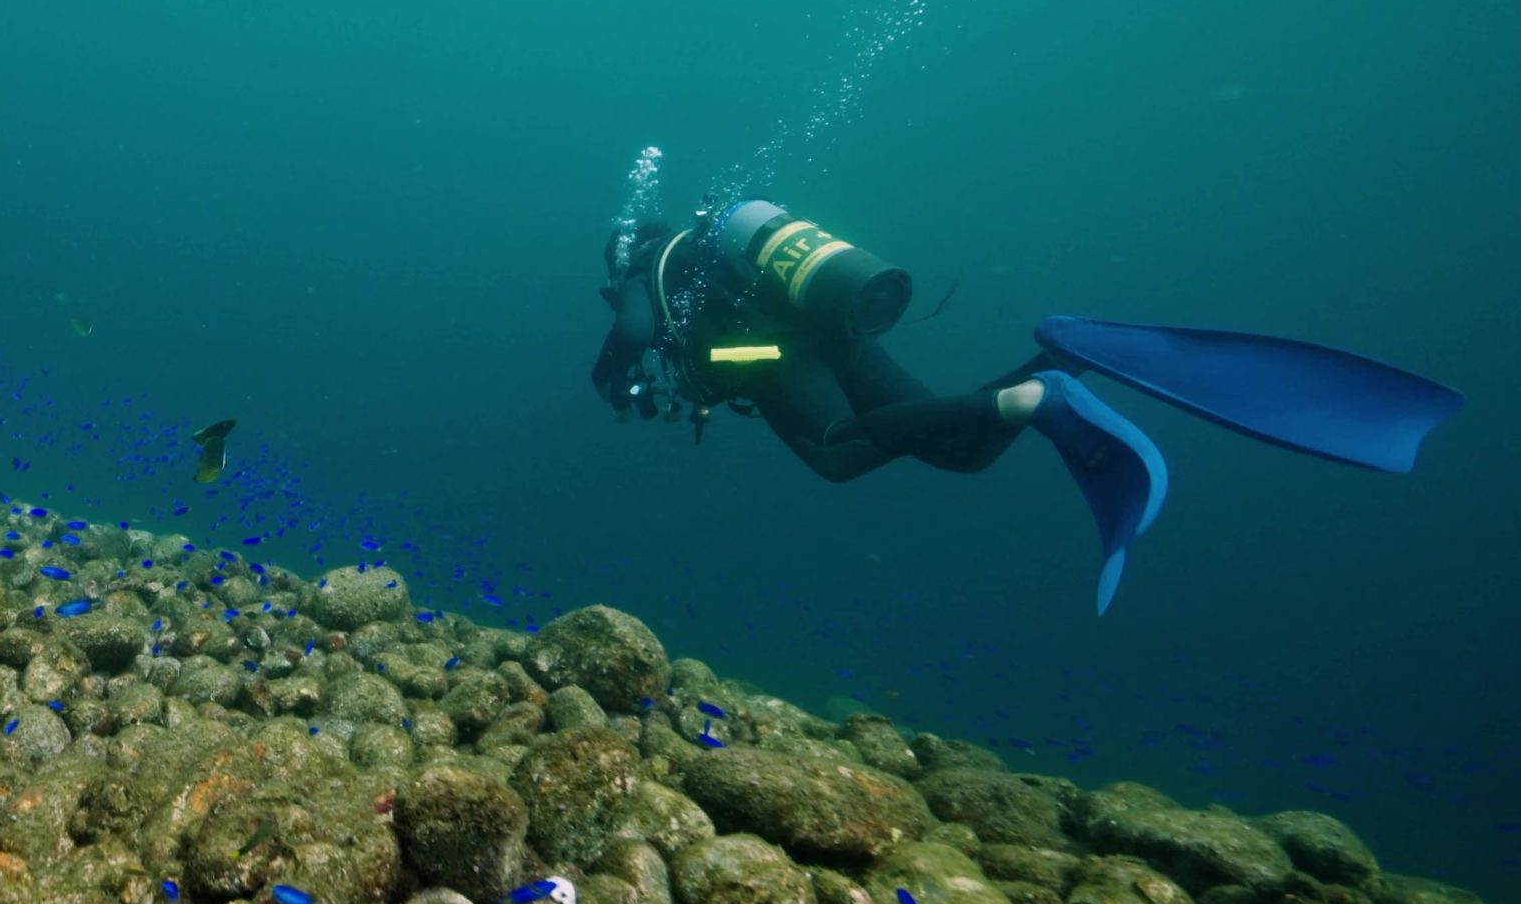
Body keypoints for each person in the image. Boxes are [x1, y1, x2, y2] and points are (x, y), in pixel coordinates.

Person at [590, 198, 1463, 613]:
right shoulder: (719, 253)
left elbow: (631, 329)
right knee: (959, 447)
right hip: (839, 333)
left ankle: (1044, 385)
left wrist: (610, 371)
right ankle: (1050, 372)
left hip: (788, 362)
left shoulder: (652, 268)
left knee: (836, 454)